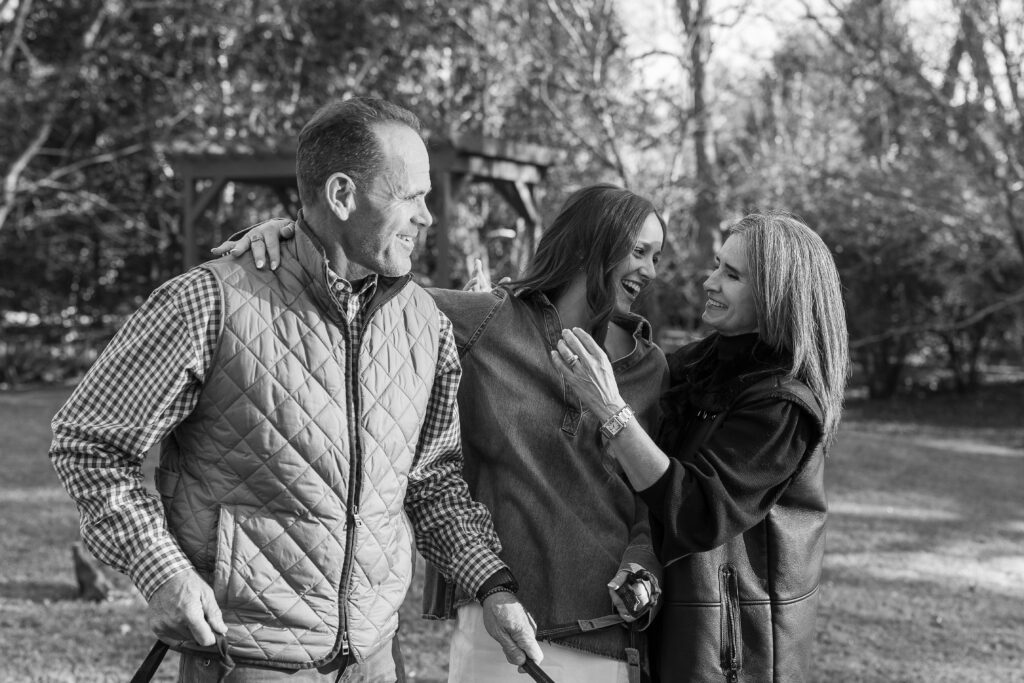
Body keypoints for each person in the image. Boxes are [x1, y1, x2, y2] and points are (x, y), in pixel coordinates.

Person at [48, 97, 542, 682]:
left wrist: (491, 586)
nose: (427, 217)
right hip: (246, 660)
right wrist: (161, 571)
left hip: (377, 660)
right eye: (411, 196)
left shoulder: (425, 322)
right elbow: (88, 442)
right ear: (341, 195)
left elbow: (431, 481)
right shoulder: (209, 301)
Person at [220, 183, 669, 683]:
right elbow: (355, 287)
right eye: (638, 252)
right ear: (593, 243)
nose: (649, 271)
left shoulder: (651, 367)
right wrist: (283, 237)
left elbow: (652, 496)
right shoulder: (486, 322)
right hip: (500, 617)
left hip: (611, 631)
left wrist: (642, 561)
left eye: (656, 256)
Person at [551, 211, 849, 683]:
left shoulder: (783, 404)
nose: (709, 282)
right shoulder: (694, 367)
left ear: (776, 294)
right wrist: (534, 305)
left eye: (731, 276)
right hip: (670, 627)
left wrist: (611, 409)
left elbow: (695, 511)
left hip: (733, 652)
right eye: (717, 266)